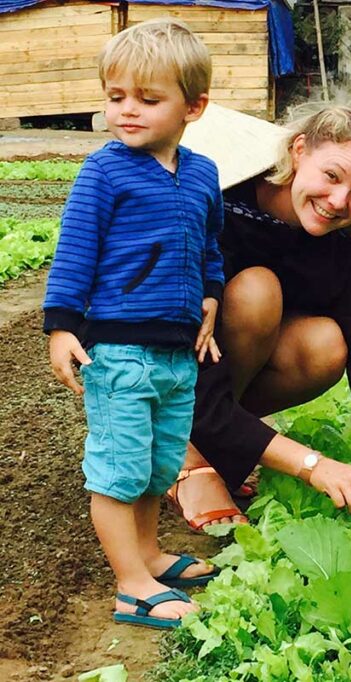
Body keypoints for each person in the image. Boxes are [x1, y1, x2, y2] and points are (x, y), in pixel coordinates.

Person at [166, 105, 351, 531]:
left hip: (223, 380)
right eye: (331, 176)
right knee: (257, 291)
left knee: (325, 344)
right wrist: (314, 465)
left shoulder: (343, 240)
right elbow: (177, 341)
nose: (339, 201)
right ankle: (187, 453)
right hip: (167, 366)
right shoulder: (221, 204)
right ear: (299, 150)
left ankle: (222, 439)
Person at [43, 19, 223, 629]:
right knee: (119, 470)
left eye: (148, 99)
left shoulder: (201, 175)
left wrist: (211, 297)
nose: (127, 111)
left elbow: (209, 246)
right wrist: (62, 326)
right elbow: (75, 250)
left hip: (176, 354)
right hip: (118, 351)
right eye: (116, 97)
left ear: (193, 107)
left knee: (156, 464)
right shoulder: (104, 172)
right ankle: (130, 587)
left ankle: (147, 556)